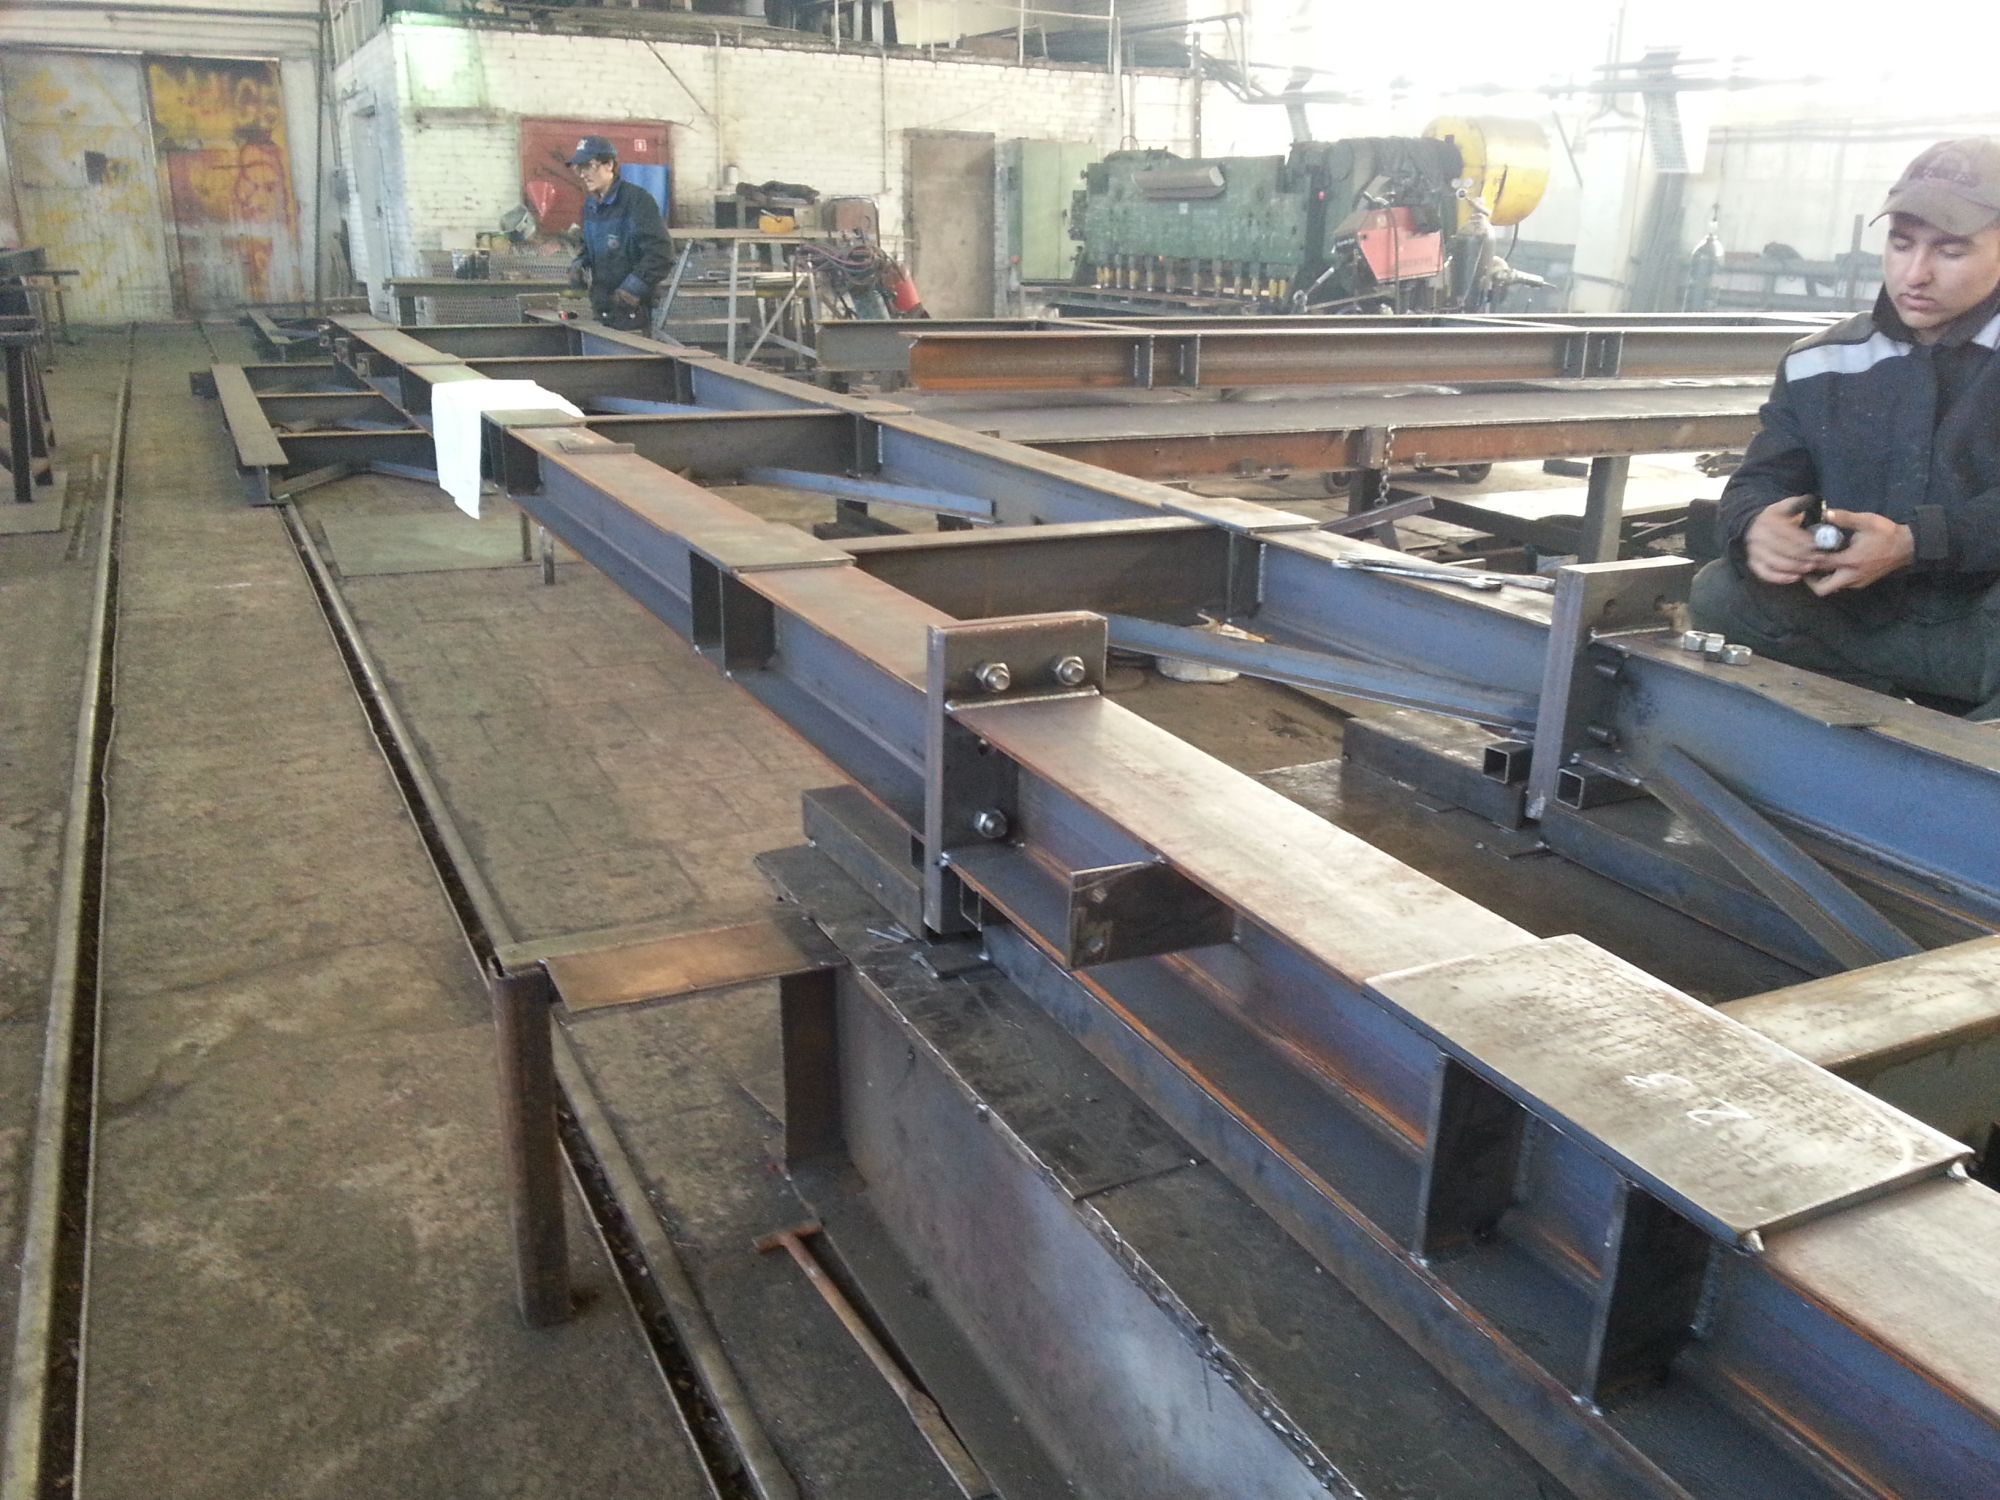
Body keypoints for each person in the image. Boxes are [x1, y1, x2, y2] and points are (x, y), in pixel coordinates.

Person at [1690, 137, 2000, 720]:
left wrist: (1916, 543)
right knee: (1721, 593)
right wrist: (1755, 525)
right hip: (1872, 617)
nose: (1916, 273)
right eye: (1901, 244)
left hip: (1983, 630)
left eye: (1951, 251)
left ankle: (1969, 755)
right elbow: (1759, 480)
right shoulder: (1821, 362)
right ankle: (1874, 728)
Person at [566, 135, 671, 332]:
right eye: (579, 168)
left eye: (589, 166)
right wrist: (579, 264)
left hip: (633, 312)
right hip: (601, 307)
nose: (583, 174)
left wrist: (631, 289)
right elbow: (588, 247)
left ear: (609, 164)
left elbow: (661, 254)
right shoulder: (590, 205)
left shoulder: (637, 201)